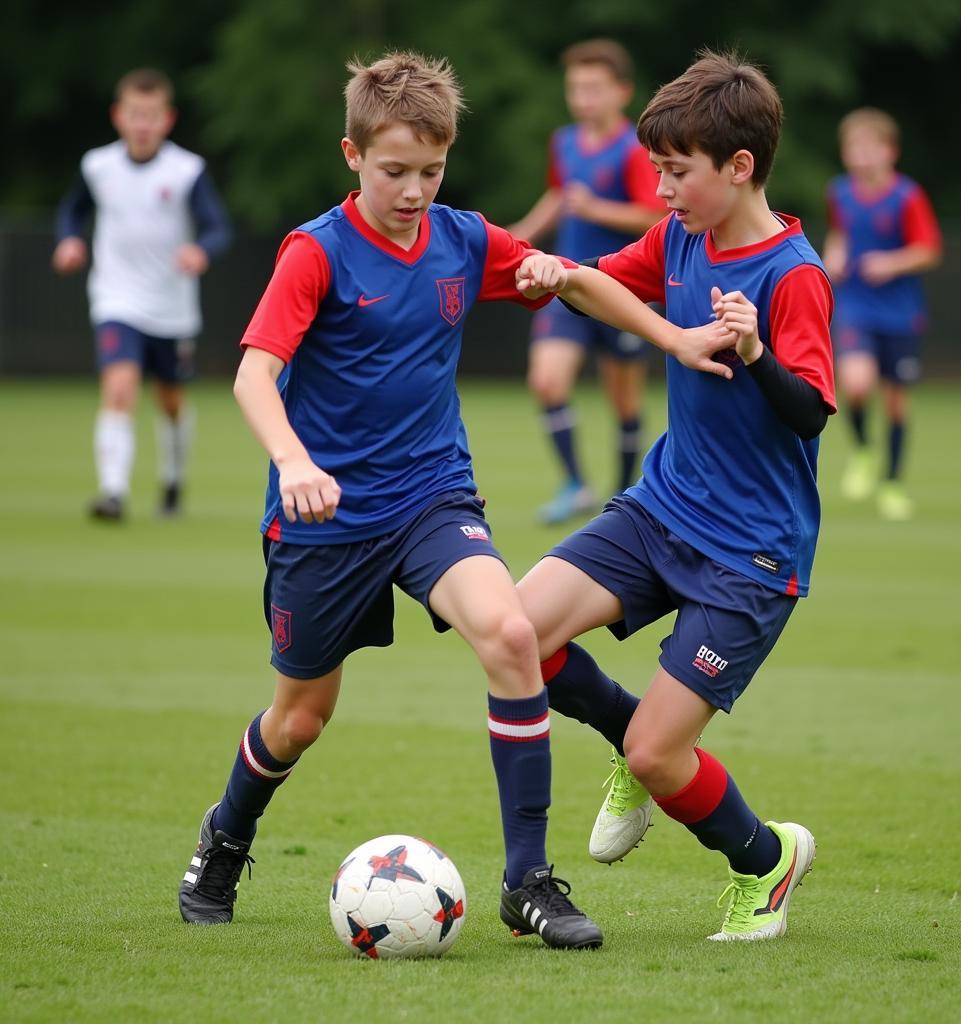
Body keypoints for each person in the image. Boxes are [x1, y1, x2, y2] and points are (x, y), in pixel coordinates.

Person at [175, 51, 733, 950]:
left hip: (432, 497)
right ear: (351, 154)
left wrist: (671, 333)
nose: (414, 190)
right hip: (327, 518)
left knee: (512, 633)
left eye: (431, 171)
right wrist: (293, 462)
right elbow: (253, 373)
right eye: (395, 170)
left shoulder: (463, 239)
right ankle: (227, 834)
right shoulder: (314, 252)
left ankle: (527, 882)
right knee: (299, 719)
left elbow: (575, 277)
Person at [513, 49, 835, 942]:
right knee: (513, 632)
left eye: (676, 171)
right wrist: (557, 276)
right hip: (661, 510)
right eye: (656, 168)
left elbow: (809, 414)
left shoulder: (793, 274)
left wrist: (757, 350)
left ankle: (765, 861)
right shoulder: (681, 239)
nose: (660, 188)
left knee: (663, 755)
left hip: (751, 552)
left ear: (739, 167)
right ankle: (634, 742)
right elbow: (607, 284)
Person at [52, 68, 232, 522]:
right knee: (119, 388)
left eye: (151, 115)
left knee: (170, 402)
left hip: (172, 307)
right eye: (135, 114)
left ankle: (173, 480)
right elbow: (72, 212)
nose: (143, 124)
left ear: (167, 119)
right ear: (119, 116)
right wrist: (69, 239)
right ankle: (112, 492)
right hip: (116, 298)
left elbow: (216, 227)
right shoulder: (97, 166)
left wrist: (200, 251)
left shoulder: (187, 170)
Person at [508, 39, 664, 524]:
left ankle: (624, 494)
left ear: (622, 91)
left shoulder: (635, 148)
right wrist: (516, 236)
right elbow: (560, 195)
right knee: (547, 380)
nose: (583, 98)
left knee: (624, 399)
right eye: (576, 88)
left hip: (620, 288)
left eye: (594, 88)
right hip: (567, 281)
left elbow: (656, 216)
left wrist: (598, 208)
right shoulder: (565, 142)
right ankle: (575, 483)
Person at [823, 107, 942, 521]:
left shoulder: (907, 196)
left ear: (890, 152)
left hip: (900, 312)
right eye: (853, 148)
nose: (861, 156)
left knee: (894, 402)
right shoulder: (839, 192)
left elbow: (928, 250)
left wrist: (891, 263)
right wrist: (833, 254)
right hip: (855, 304)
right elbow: (840, 232)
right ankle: (862, 452)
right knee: (855, 384)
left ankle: (892, 483)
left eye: (870, 148)